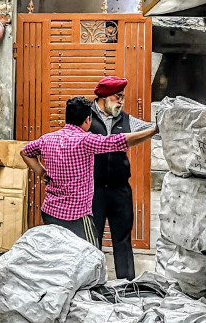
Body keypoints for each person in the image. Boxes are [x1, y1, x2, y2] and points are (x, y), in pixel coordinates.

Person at [19, 96, 151, 243]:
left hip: (50, 212)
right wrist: (154, 130)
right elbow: (119, 141)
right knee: (89, 256)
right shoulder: (85, 141)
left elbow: (25, 152)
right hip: (77, 218)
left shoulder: (47, 139)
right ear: (88, 120)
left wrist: (42, 172)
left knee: (57, 256)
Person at [89, 76, 156, 281]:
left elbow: (151, 128)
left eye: (122, 97)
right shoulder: (86, 118)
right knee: (93, 239)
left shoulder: (127, 120)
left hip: (120, 189)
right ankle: (91, 283)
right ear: (104, 97)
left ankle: (126, 285)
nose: (121, 101)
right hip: (93, 189)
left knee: (123, 238)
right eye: (118, 97)